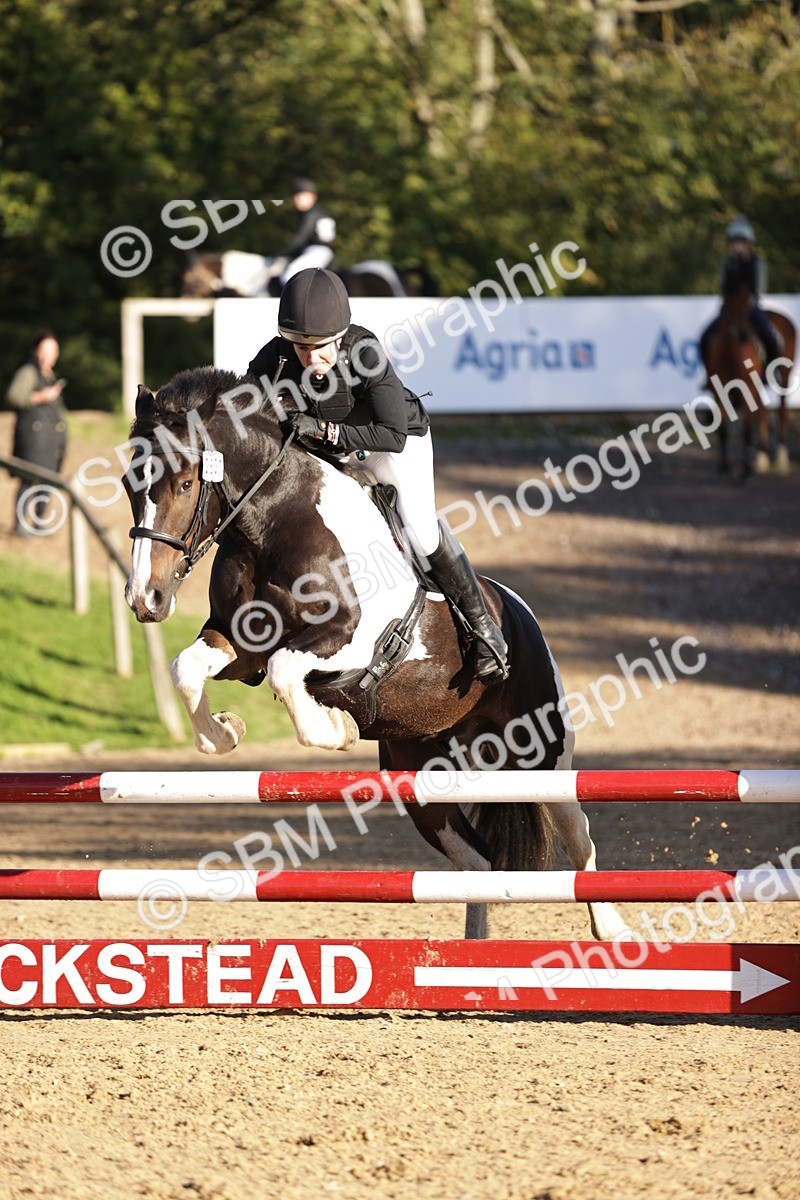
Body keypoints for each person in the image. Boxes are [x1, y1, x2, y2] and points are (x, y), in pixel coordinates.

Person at [247, 267, 509, 682]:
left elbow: (393, 434)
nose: (311, 358)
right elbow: (241, 411)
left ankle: (484, 631)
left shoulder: (363, 351)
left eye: (321, 347)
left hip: (390, 446)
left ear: (341, 335)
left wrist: (323, 430)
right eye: (301, 347)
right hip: (335, 454)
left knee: (420, 532)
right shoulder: (276, 357)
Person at [699, 215, 780, 380]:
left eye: (741, 242)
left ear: (748, 244)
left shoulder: (756, 263)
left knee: (769, 335)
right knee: (705, 336)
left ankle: (773, 371)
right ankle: (709, 374)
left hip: (750, 308)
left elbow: (758, 289)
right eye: (734, 242)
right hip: (730, 310)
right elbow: (723, 288)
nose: (737, 246)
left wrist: (747, 303)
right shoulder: (726, 264)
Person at [5, 329, 67, 536]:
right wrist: (41, 397)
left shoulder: (49, 374)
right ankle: (21, 524)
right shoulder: (28, 371)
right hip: (32, 437)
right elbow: (14, 397)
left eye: (53, 350)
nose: (49, 354)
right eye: (45, 349)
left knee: (47, 480)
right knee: (28, 479)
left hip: (49, 440)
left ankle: (40, 523)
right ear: (35, 350)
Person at [275, 178, 336, 291]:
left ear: (313, 197)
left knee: (289, 275)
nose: (297, 200)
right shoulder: (320, 212)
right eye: (295, 196)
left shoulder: (310, 215)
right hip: (323, 253)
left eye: (301, 196)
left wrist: (281, 253)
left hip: (316, 251)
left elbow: (300, 239)